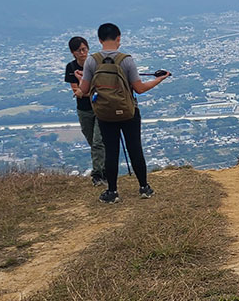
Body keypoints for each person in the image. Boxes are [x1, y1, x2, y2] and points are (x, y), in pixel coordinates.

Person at [78, 23, 171, 203]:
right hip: (128, 112)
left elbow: (84, 89)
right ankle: (144, 187)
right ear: (118, 38)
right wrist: (160, 79)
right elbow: (139, 88)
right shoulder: (125, 60)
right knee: (135, 148)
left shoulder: (92, 61)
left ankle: (112, 192)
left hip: (104, 114)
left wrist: (81, 77)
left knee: (111, 152)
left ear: (99, 39)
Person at [63, 36, 105, 185]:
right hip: (84, 109)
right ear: (73, 52)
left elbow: (84, 91)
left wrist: (84, 90)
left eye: (84, 49)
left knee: (98, 141)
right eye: (78, 50)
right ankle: (104, 169)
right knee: (91, 141)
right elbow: (77, 91)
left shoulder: (95, 63)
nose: (82, 53)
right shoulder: (71, 67)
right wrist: (88, 90)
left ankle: (98, 174)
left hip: (100, 107)